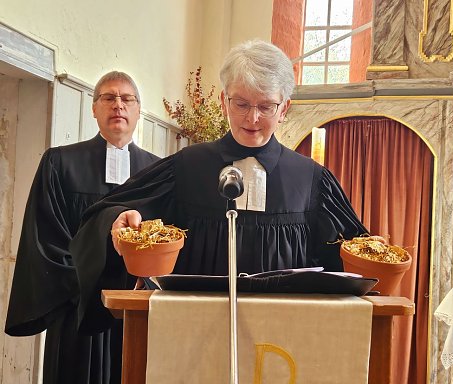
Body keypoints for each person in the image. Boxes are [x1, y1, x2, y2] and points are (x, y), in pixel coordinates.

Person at [69, 39, 368, 333]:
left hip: (284, 335)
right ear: (224, 102)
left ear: (284, 108)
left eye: (266, 106)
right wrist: (117, 220)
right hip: (192, 331)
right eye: (241, 104)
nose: (252, 118)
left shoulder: (313, 180)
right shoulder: (185, 167)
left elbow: (351, 261)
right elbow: (107, 213)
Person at [5, 71, 160, 384]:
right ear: (94, 108)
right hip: (76, 307)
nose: (118, 105)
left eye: (127, 99)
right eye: (108, 97)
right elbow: (45, 234)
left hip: (135, 306)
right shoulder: (61, 163)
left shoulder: (155, 170)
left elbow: (165, 236)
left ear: (138, 111)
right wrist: (83, 287)